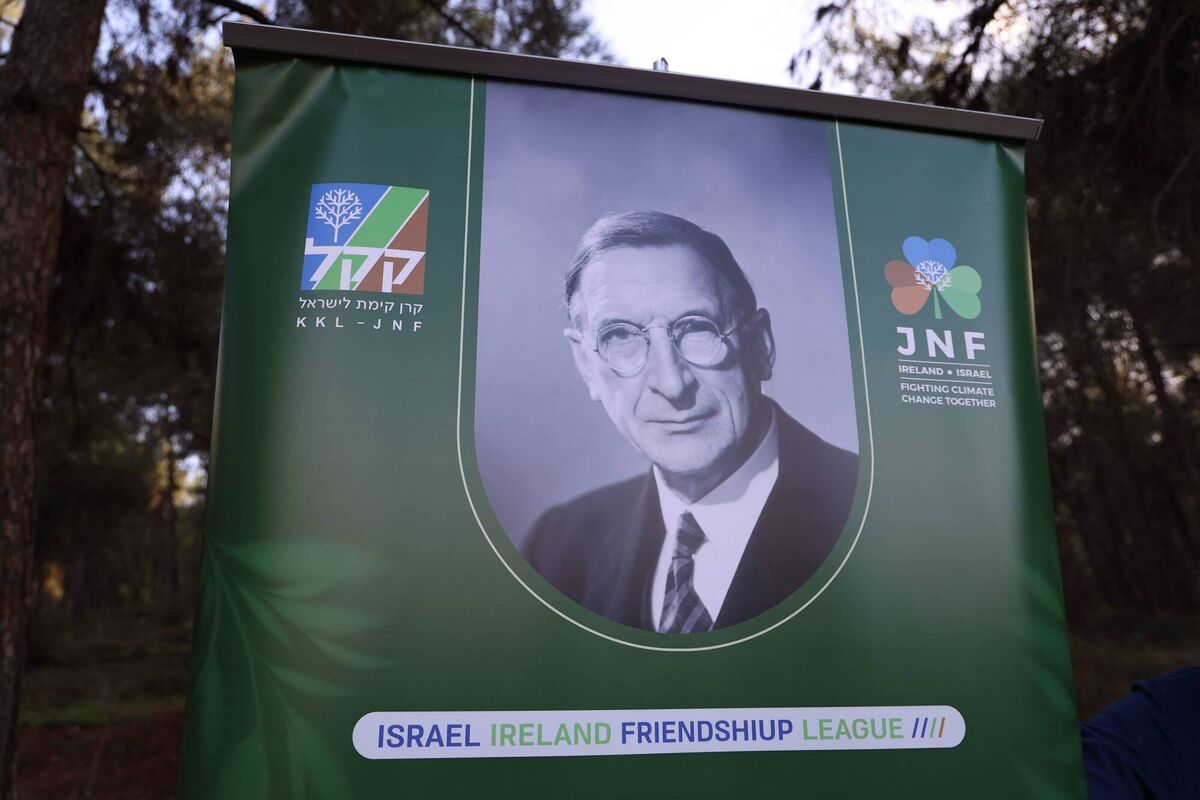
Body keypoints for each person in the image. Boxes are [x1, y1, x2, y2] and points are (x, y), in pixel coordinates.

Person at [523, 210, 858, 634]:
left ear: (760, 345)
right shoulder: (556, 549)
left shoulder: (879, 516)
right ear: (587, 366)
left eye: (698, 328)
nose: (672, 383)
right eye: (620, 336)